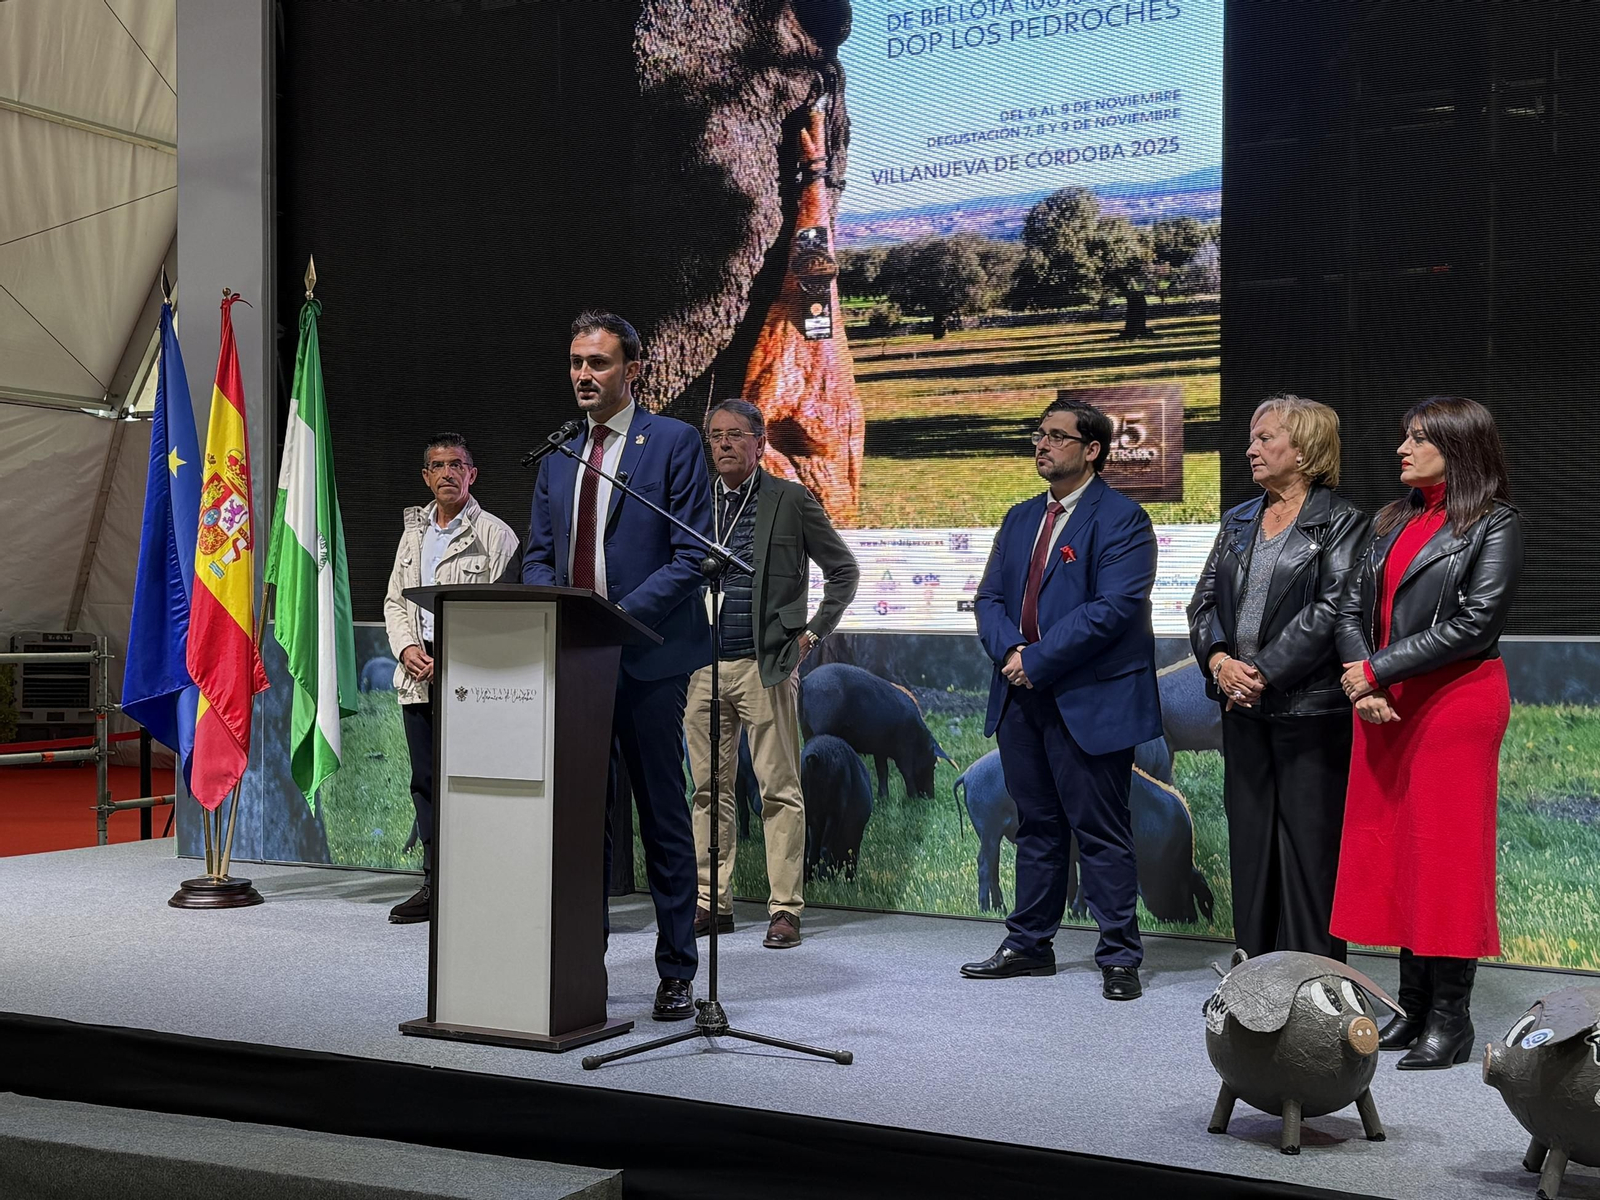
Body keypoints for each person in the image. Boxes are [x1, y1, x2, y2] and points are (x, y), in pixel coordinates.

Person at [521, 310, 713, 1022]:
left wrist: (618, 618)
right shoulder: (559, 453)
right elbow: (540, 556)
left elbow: (692, 555)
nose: (583, 375)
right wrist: (563, 616)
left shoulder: (674, 442)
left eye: (597, 362)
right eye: (576, 362)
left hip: (648, 659)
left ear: (632, 370)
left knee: (663, 816)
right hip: (577, 664)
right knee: (581, 822)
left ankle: (677, 970)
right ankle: (581, 967)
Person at [1332, 396, 1522, 1070]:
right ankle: (1412, 1007)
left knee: (1444, 857)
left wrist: (1375, 670)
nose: (1402, 450)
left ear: (1458, 447)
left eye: (1418, 439)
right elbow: (1349, 608)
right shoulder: (1391, 519)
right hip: (1385, 701)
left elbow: (1477, 622)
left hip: (1455, 702)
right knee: (1396, 853)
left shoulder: (1494, 522)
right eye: (1404, 437)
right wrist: (1366, 684)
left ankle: (1450, 1018)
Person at [964, 398, 1162, 1000]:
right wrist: (1010, 653)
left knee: (1100, 828)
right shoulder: (1021, 517)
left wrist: (1037, 660)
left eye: (1056, 436)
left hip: (1087, 699)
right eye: (1038, 435)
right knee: (1036, 825)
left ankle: (1119, 955)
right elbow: (989, 599)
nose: (1041, 445)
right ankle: (1029, 944)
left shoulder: (1124, 519)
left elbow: (1113, 609)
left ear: (1092, 450)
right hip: (1020, 696)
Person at [1186, 395, 1370, 961]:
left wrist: (1263, 671)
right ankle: (1253, 977)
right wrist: (1220, 662)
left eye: (1266, 438)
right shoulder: (1238, 520)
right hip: (1242, 710)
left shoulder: (1344, 522)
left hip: (1310, 713)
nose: (1252, 448)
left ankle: (1314, 982)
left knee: (1310, 857)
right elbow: (1203, 603)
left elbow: (1333, 609)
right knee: (1250, 848)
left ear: (1306, 450)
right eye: (1252, 437)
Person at [688, 399, 859, 950]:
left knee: (779, 790)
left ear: (760, 443)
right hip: (701, 665)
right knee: (707, 790)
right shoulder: (694, 502)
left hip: (767, 666)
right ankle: (711, 902)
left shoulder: (790, 499)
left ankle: (785, 908)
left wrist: (811, 634)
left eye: (736, 434)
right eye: (715, 435)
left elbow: (843, 571)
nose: (724, 444)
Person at [382, 433, 520, 923]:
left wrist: (455, 656)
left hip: (470, 677)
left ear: (472, 474)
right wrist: (406, 649)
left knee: (475, 782)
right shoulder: (413, 534)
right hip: (417, 672)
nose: (447, 473)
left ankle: (483, 884)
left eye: (456, 465)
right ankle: (434, 883)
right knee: (426, 782)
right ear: (426, 476)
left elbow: (504, 615)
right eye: (438, 466)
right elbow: (395, 601)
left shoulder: (496, 535)